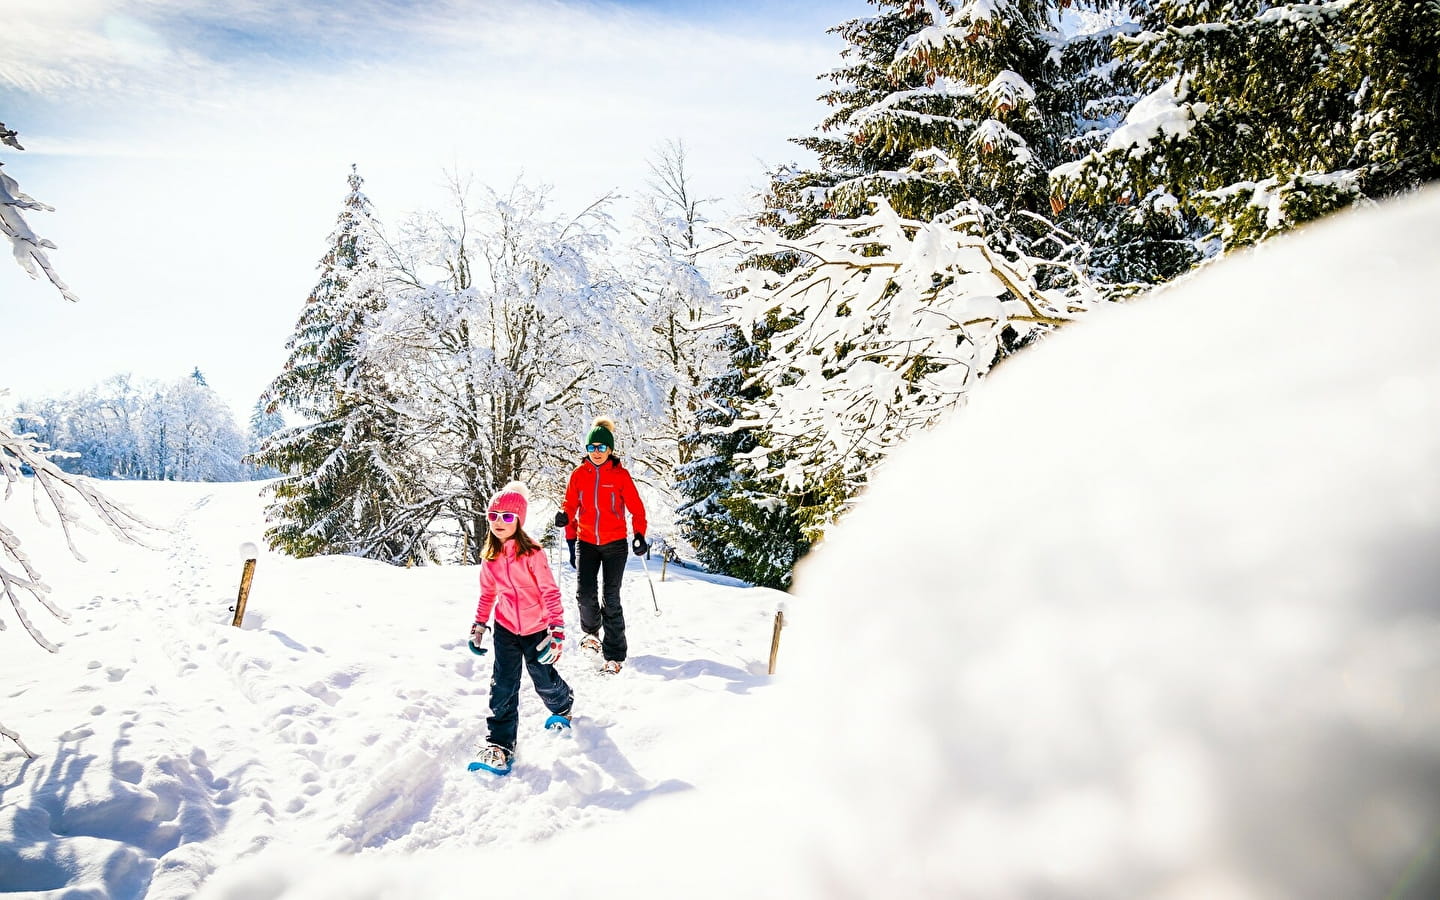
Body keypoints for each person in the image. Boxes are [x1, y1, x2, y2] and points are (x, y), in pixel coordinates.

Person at [466, 481, 572, 775]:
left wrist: (557, 631)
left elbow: (550, 592)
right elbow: (488, 594)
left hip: (536, 627)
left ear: (520, 521)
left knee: (543, 676)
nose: (499, 522)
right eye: (494, 516)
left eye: (508, 517)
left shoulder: (533, 554)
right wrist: (479, 625)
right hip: (505, 627)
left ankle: (563, 704)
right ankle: (499, 746)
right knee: (503, 683)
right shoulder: (490, 556)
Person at [555, 416, 648, 676]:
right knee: (585, 594)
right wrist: (565, 517)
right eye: (592, 448)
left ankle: (615, 654)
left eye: (601, 448)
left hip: (615, 544)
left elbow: (636, 509)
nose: (596, 453)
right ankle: (592, 634)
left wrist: (639, 534)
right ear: (587, 450)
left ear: (610, 449)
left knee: (611, 597)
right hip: (586, 542)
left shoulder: (620, 476)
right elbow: (571, 505)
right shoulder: (578, 475)